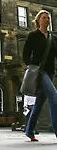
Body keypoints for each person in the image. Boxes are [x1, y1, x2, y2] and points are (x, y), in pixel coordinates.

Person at [23, 10, 57, 142]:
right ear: (38, 21)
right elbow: (26, 53)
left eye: (48, 18)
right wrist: (29, 66)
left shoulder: (52, 37)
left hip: (50, 72)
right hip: (38, 71)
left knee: (39, 102)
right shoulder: (33, 35)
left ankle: (29, 130)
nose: (47, 20)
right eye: (44, 18)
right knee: (54, 98)